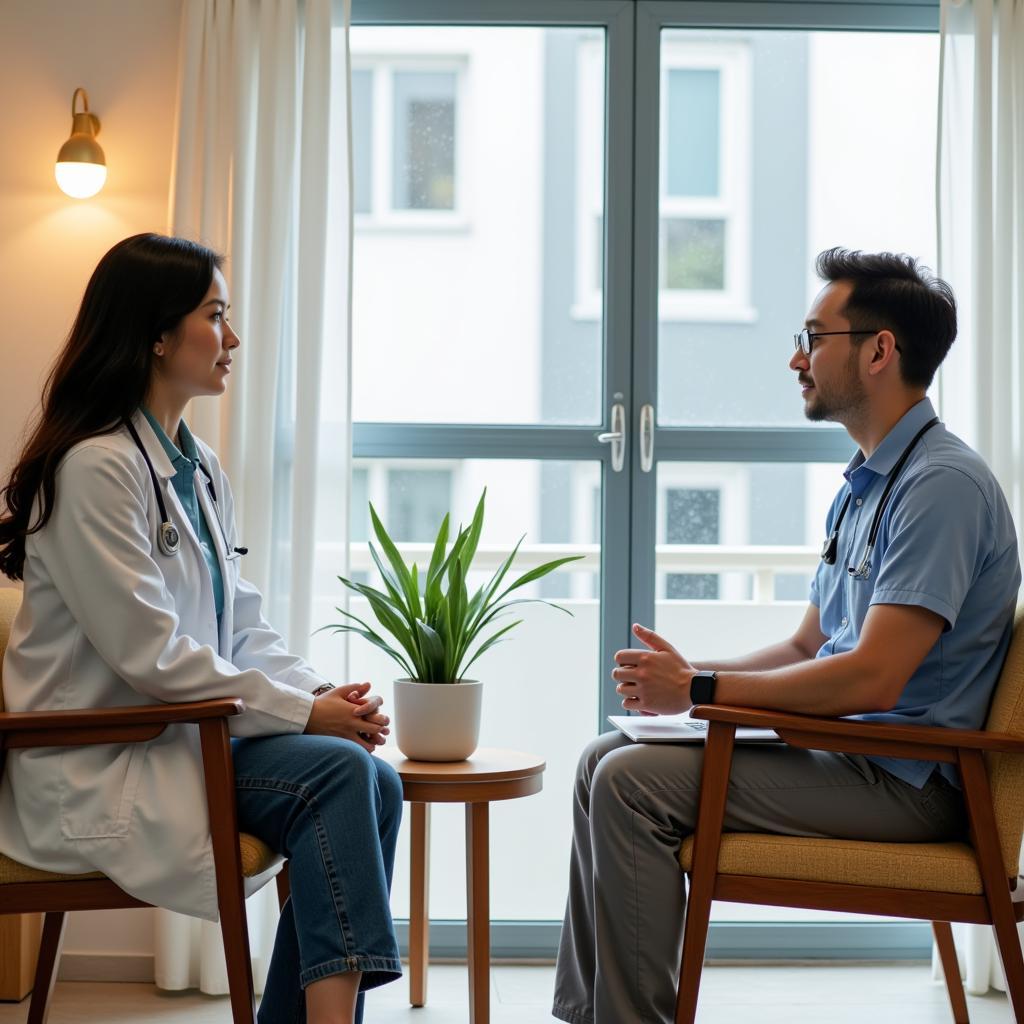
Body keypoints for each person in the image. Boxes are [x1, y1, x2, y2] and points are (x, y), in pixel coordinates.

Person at [552, 249, 1021, 1024]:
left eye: (814, 335)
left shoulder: (941, 487)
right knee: (602, 758)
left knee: (629, 784)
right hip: (852, 756)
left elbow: (873, 681)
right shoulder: (869, 484)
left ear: (879, 350)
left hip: (913, 782)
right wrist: (688, 673)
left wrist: (699, 695)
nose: (795, 358)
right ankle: (589, 1016)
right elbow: (811, 648)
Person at [0, 233, 402, 1024]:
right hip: (102, 758)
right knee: (342, 776)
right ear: (155, 333)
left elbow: (237, 621)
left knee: (374, 777)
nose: (234, 339)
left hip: (179, 739)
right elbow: (151, 655)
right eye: (216, 316)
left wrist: (321, 696)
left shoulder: (193, 463)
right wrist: (304, 717)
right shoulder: (96, 468)